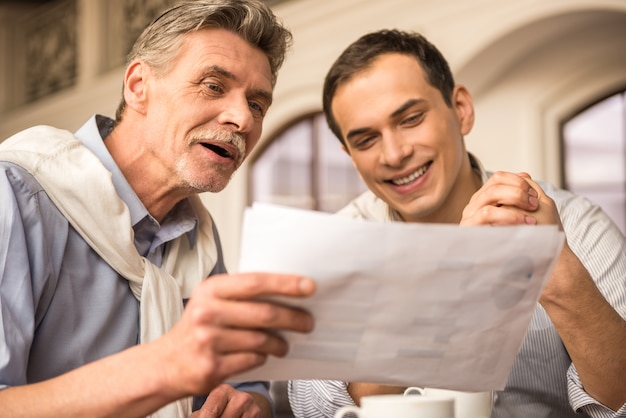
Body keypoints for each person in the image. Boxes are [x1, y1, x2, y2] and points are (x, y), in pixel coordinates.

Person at [0, 1, 317, 417]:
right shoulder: (17, 195)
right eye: (213, 85)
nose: (243, 118)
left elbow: (244, 382)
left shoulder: (196, 233)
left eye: (257, 104)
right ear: (138, 86)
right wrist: (164, 369)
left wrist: (245, 404)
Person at [288, 29, 626, 418]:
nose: (395, 154)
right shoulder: (333, 248)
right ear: (350, 156)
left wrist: (560, 276)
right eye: (366, 140)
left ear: (461, 109)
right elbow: (314, 408)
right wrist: (445, 287)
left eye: (411, 119)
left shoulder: (578, 223)